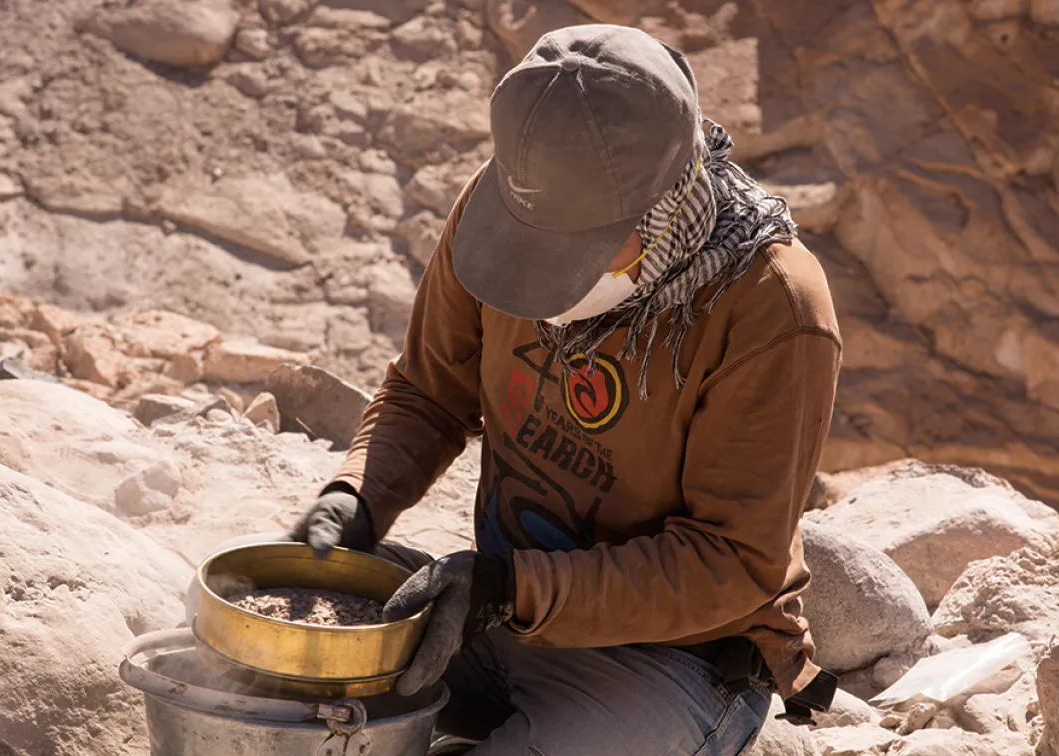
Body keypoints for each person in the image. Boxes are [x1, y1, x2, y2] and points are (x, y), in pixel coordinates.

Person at [289, 23, 842, 756]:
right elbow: (429, 392)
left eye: (569, 255)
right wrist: (357, 495)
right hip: (495, 613)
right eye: (530, 244)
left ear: (665, 208)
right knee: (275, 656)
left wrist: (512, 588)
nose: (538, 282)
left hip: (670, 660)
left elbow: (731, 563)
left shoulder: (771, 308)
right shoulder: (508, 209)